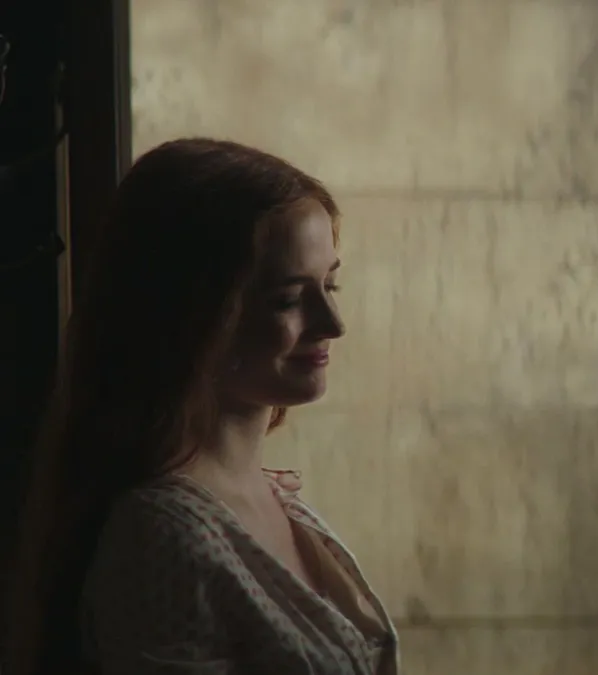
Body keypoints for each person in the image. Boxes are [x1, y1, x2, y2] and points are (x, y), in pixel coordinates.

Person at [3, 138, 399, 674]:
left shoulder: (269, 497)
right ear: (191, 315)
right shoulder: (161, 537)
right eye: (287, 299)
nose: (333, 323)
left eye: (331, 284)